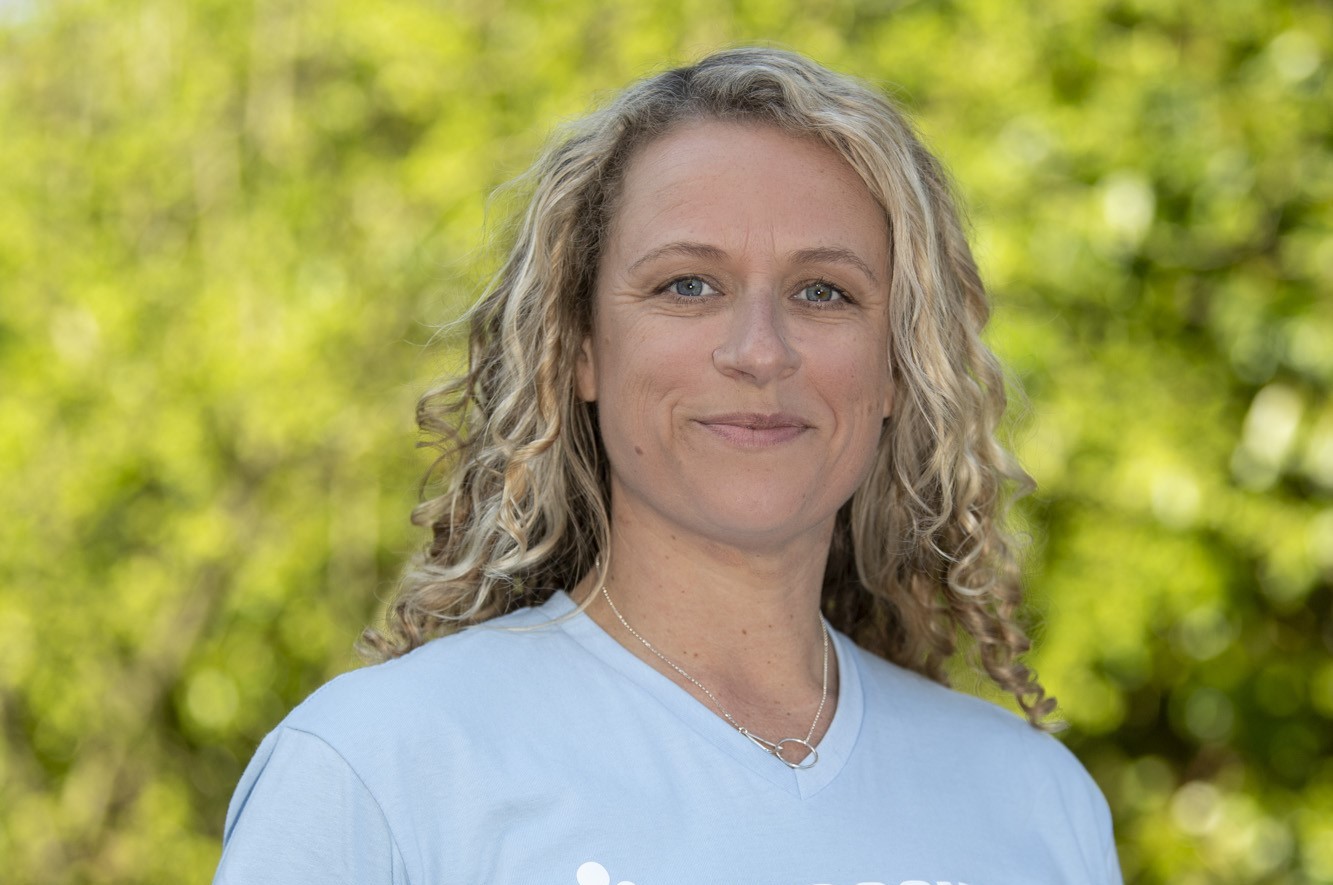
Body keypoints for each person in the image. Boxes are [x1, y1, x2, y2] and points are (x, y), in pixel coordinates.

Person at [213, 47, 1122, 884]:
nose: (760, 351)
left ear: (896, 366)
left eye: (824, 291)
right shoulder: (380, 767)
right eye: (688, 285)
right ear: (578, 348)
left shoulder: (1034, 803)